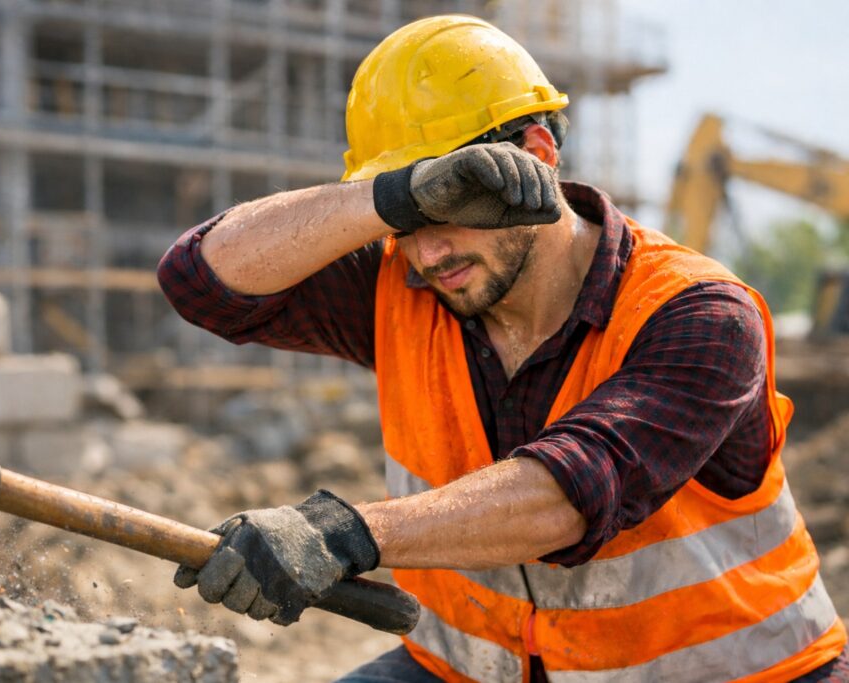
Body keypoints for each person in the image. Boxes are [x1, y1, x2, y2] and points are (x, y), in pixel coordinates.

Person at [158, 15, 848, 683]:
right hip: (471, 670)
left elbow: (571, 494)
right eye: (408, 220)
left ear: (537, 157)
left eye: (450, 207)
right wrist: (390, 197)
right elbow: (199, 280)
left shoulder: (698, 314)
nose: (429, 252)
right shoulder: (406, 284)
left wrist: (341, 534)